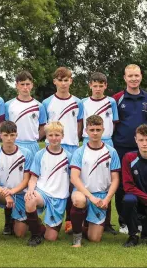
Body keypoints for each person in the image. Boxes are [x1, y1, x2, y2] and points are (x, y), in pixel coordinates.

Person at [112, 64, 147, 234]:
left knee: (141, 184)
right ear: (125, 78)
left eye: (136, 75)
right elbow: (112, 123)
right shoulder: (117, 99)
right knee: (121, 185)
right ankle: (123, 221)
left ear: (141, 76)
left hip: (142, 149)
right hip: (121, 148)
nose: (134, 79)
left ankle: (141, 219)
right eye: (130, 76)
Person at [69, 115, 121, 247]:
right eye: (92, 130)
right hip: (83, 193)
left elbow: (115, 179)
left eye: (98, 129)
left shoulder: (111, 152)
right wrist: (90, 197)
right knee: (79, 200)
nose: (95, 133)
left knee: (94, 239)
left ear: (103, 130)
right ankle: (77, 236)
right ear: (86, 131)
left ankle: (83, 225)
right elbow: (74, 178)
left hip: (101, 196)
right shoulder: (80, 152)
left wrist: (107, 199)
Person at [42, 67, 83, 234]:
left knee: (72, 184)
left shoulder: (78, 102)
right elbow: (44, 126)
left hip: (72, 147)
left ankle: (70, 220)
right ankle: (51, 217)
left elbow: (79, 126)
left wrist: (74, 141)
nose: (63, 83)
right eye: (60, 80)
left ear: (71, 81)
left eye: (66, 80)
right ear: (55, 82)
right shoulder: (46, 102)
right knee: (53, 182)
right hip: (52, 147)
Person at [4, 70, 46, 235]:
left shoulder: (39, 105)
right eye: (22, 84)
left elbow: (42, 127)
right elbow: (5, 126)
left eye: (28, 84)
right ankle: (9, 221)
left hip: (32, 145)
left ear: (32, 85)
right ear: (17, 86)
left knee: (32, 181)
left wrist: (34, 139)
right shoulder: (9, 105)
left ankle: (32, 216)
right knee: (12, 182)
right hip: (14, 146)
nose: (25, 87)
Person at [0, 121, 33, 244]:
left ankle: (30, 221)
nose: (9, 138)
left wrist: (12, 191)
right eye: (5, 135)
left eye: (12, 135)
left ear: (16, 135)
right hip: (3, 194)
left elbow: (27, 180)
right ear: (0, 135)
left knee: (20, 234)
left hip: (21, 194)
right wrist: (5, 193)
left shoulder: (26, 153)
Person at [24, 121, 72, 247]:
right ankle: (35, 235)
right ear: (46, 136)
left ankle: (39, 226)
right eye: (50, 135)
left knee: (51, 238)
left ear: (62, 136)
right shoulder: (40, 154)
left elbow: (74, 179)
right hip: (42, 192)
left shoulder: (69, 156)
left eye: (57, 135)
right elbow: (33, 177)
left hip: (59, 197)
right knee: (30, 200)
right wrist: (30, 190)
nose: (54, 138)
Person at [81, 72, 119, 147]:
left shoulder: (111, 102)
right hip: (88, 139)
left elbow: (114, 122)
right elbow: (80, 122)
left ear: (105, 86)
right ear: (90, 86)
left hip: (106, 140)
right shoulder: (83, 102)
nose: (98, 89)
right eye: (95, 86)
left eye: (101, 86)